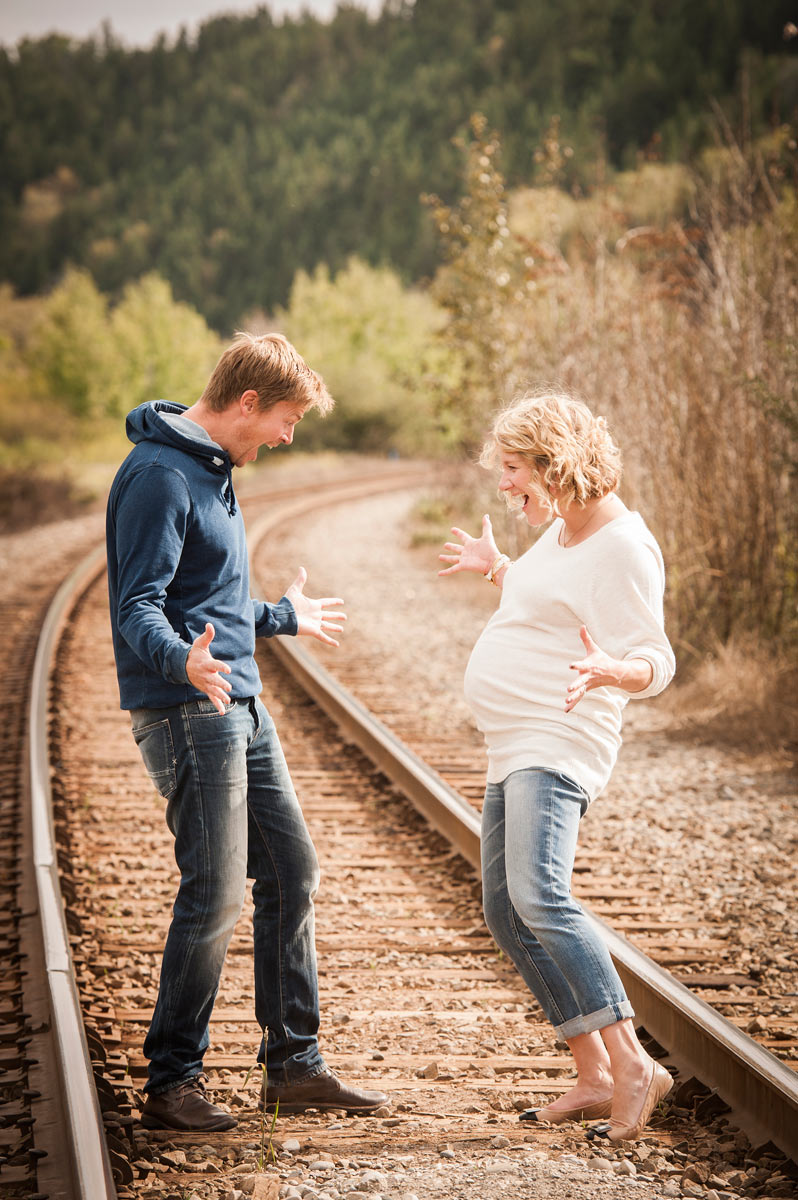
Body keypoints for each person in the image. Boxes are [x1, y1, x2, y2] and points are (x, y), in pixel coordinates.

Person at [106, 332, 388, 1132]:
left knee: (292, 870)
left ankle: (293, 1066)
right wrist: (183, 665)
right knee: (215, 893)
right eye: (286, 421)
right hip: (190, 711)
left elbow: (212, 603)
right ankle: (172, 1081)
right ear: (248, 402)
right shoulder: (161, 476)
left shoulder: (211, 470)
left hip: (238, 705)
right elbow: (139, 608)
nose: (287, 438)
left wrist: (281, 616)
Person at [439, 391, 676, 1142]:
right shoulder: (568, 530)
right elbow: (548, 603)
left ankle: (636, 1064)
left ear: (555, 460)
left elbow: (657, 658)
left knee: (540, 893)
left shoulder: (623, 543)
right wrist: (498, 569)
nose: (505, 484)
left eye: (514, 469)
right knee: (506, 912)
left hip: (558, 739)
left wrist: (615, 669)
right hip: (514, 741)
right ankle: (593, 1074)